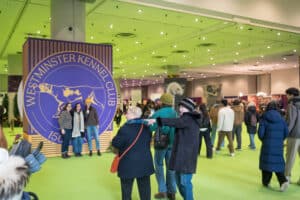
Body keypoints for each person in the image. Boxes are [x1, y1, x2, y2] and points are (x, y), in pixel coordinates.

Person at [148, 97, 201, 200]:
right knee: (176, 175)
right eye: (180, 106)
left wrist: (157, 120)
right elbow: (175, 122)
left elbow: (175, 122)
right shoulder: (180, 115)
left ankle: (164, 191)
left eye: (183, 107)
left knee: (183, 181)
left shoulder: (188, 119)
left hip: (182, 154)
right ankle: (172, 192)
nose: (180, 109)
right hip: (177, 150)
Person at [112, 106, 154, 200]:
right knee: (145, 189)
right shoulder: (146, 127)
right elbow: (148, 141)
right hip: (144, 163)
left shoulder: (125, 129)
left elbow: (116, 143)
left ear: (133, 115)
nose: (125, 115)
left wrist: (114, 139)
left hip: (128, 163)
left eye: (127, 113)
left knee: (126, 189)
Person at [149, 93, 177, 200]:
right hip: (173, 143)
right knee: (171, 168)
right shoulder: (175, 113)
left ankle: (162, 191)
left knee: (159, 166)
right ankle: (172, 192)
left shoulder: (158, 113)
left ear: (162, 102)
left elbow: (151, 127)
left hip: (161, 143)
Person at [258, 101, 289, 191]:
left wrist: (264, 140)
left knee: (266, 163)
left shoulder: (264, 118)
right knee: (277, 162)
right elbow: (286, 132)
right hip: (278, 144)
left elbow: (260, 134)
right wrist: (280, 140)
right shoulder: (281, 119)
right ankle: (283, 181)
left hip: (267, 144)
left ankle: (266, 182)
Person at [284, 87, 300, 184]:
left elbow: (291, 122)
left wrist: (285, 134)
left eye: (287, 94)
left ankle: (286, 178)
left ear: (291, 95)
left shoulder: (291, 105)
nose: (286, 96)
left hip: (294, 135)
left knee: (290, 156)